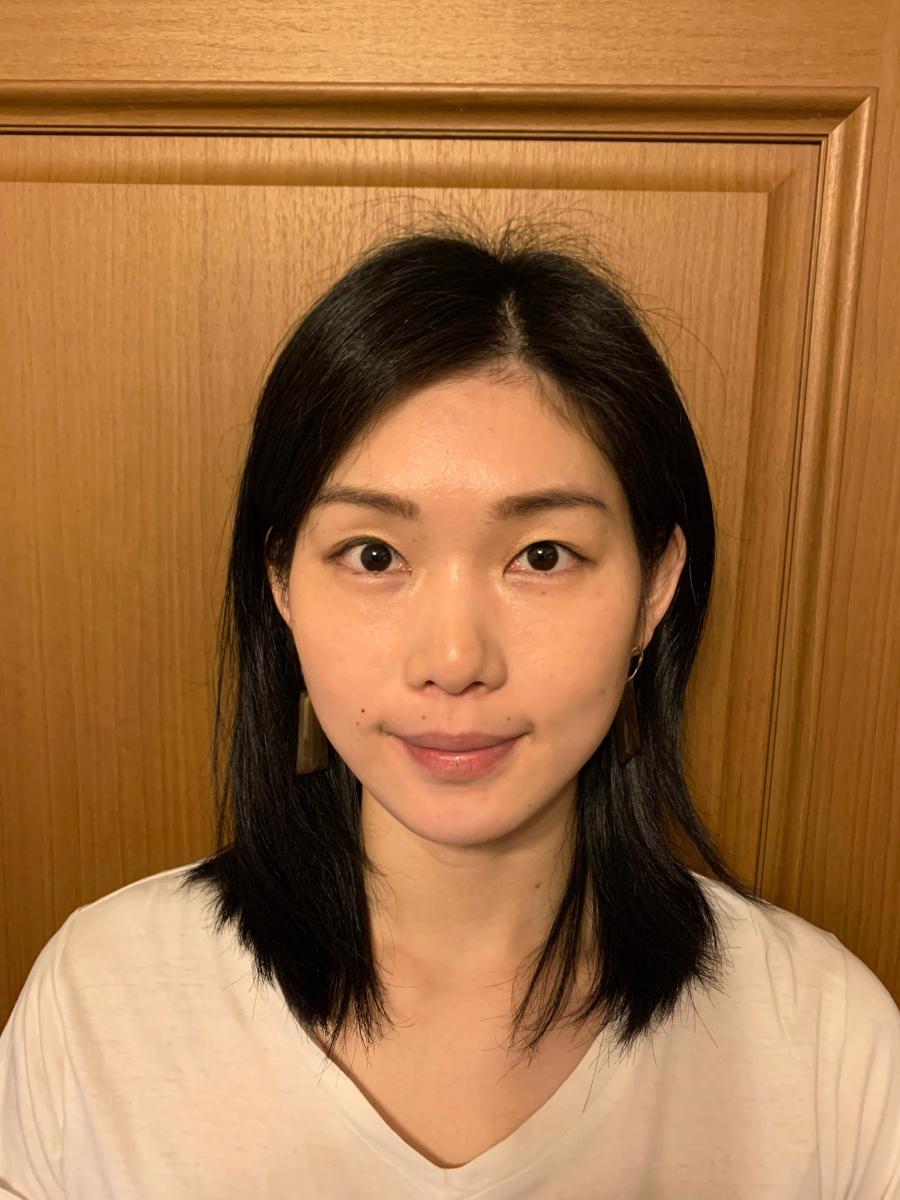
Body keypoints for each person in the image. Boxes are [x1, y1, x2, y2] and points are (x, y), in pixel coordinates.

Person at [1, 218, 898, 1200]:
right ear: (282, 583)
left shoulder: (826, 1046)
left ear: (654, 588)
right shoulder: (101, 1003)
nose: (456, 661)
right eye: (374, 555)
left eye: (542, 556)